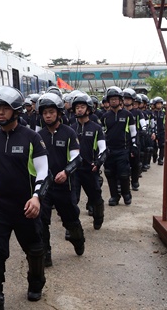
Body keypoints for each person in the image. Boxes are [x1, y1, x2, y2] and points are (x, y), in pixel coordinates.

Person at [0, 86, 50, 308]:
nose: (0, 112)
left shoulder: (32, 138)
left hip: (26, 206)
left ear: (16, 110)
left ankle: (36, 282)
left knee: (35, 248)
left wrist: (37, 197)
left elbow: (43, 171)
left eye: (5, 108)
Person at [37, 93, 85, 267]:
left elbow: (77, 158)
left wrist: (66, 172)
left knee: (70, 219)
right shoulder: (39, 135)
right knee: (41, 219)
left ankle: (78, 239)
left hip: (65, 185)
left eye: (51, 112)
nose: (48, 115)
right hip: (45, 186)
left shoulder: (69, 133)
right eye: (44, 113)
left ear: (58, 113)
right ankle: (45, 253)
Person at [70, 93, 106, 230]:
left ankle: (98, 217)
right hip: (74, 170)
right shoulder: (71, 128)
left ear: (89, 109)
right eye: (77, 107)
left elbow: (103, 148)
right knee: (72, 199)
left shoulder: (96, 128)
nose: (79, 109)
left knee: (95, 197)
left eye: (82, 106)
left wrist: (98, 162)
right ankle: (72, 227)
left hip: (91, 169)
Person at [101, 86, 137, 206]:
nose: (113, 101)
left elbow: (133, 131)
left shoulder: (127, 115)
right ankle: (114, 196)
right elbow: (102, 134)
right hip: (109, 150)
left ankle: (126, 193)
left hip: (123, 150)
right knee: (110, 173)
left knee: (123, 174)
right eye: (111, 99)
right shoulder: (105, 117)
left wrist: (134, 145)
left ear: (120, 100)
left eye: (116, 99)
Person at [150, 96, 165, 165]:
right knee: (154, 146)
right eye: (157, 104)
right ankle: (154, 155)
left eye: (160, 104)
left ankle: (161, 159)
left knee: (162, 145)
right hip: (154, 131)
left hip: (162, 131)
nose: (159, 105)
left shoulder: (164, 113)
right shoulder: (152, 113)